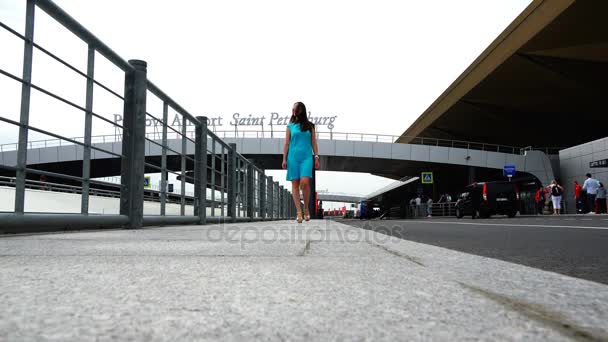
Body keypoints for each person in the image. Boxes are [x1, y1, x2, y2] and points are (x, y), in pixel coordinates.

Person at [282, 102, 319, 223]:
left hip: (307, 157)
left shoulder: (310, 126)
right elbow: (287, 143)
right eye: (293, 108)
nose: (293, 110)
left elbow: (314, 143)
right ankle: (299, 211)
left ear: (301, 110)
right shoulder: (290, 126)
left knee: (304, 182)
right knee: (295, 184)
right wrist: (284, 159)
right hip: (293, 158)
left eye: (296, 108)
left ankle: (306, 207)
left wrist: (316, 157)